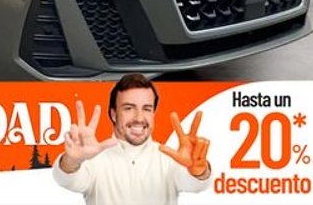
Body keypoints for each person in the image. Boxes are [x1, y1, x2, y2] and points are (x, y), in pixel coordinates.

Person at [53, 73, 211, 205]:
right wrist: (72, 161)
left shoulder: (169, 158)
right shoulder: (94, 159)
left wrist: (200, 171)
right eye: (129, 108)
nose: (139, 118)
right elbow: (67, 180)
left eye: (147, 109)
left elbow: (196, 185)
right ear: (114, 114)